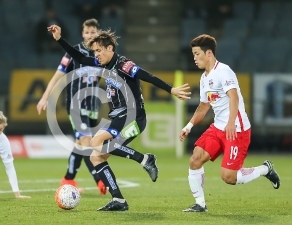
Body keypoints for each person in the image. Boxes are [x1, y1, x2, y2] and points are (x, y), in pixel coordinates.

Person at [48, 24, 191, 211]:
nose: (96, 54)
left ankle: (144, 159)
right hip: (119, 117)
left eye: (99, 50)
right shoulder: (102, 64)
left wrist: (171, 89)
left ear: (110, 48)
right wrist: (60, 40)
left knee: (97, 142)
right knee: (95, 157)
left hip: (133, 117)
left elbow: (147, 76)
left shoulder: (124, 64)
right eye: (95, 51)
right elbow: (81, 58)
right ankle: (119, 200)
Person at [179, 34, 280, 212]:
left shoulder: (223, 71)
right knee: (195, 159)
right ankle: (200, 204)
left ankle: (265, 169)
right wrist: (188, 126)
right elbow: (203, 107)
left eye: (196, 54)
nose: (194, 58)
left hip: (237, 129)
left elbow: (233, 97)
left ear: (208, 53)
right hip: (218, 127)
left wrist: (231, 122)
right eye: (193, 54)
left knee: (228, 177)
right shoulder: (204, 78)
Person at [37, 19, 106, 194]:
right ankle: (100, 179)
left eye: (93, 32)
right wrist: (44, 98)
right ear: (82, 34)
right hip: (75, 105)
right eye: (87, 32)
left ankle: (68, 178)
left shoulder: (101, 54)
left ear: (98, 33)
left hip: (92, 106)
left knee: (80, 145)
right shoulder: (73, 52)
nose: (90, 35)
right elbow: (57, 75)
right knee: (87, 142)